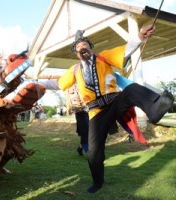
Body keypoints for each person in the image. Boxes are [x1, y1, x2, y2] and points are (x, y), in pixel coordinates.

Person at [57, 24, 174, 193]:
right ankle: (98, 182)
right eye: (78, 48)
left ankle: (154, 110)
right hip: (96, 113)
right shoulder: (74, 70)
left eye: (85, 46)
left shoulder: (104, 57)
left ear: (91, 48)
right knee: (93, 153)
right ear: (76, 54)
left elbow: (126, 50)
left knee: (131, 89)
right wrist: (36, 87)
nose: (82, 49)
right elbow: (57, 83)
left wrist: (140, 36)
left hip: (115, 102)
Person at [67, 84, 89, 156]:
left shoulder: (82, 85)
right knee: (85, 132)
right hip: (79, 113)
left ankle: (80, 148)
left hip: (88, 112)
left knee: (89, 132)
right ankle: (88, 152)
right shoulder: (69, 88)